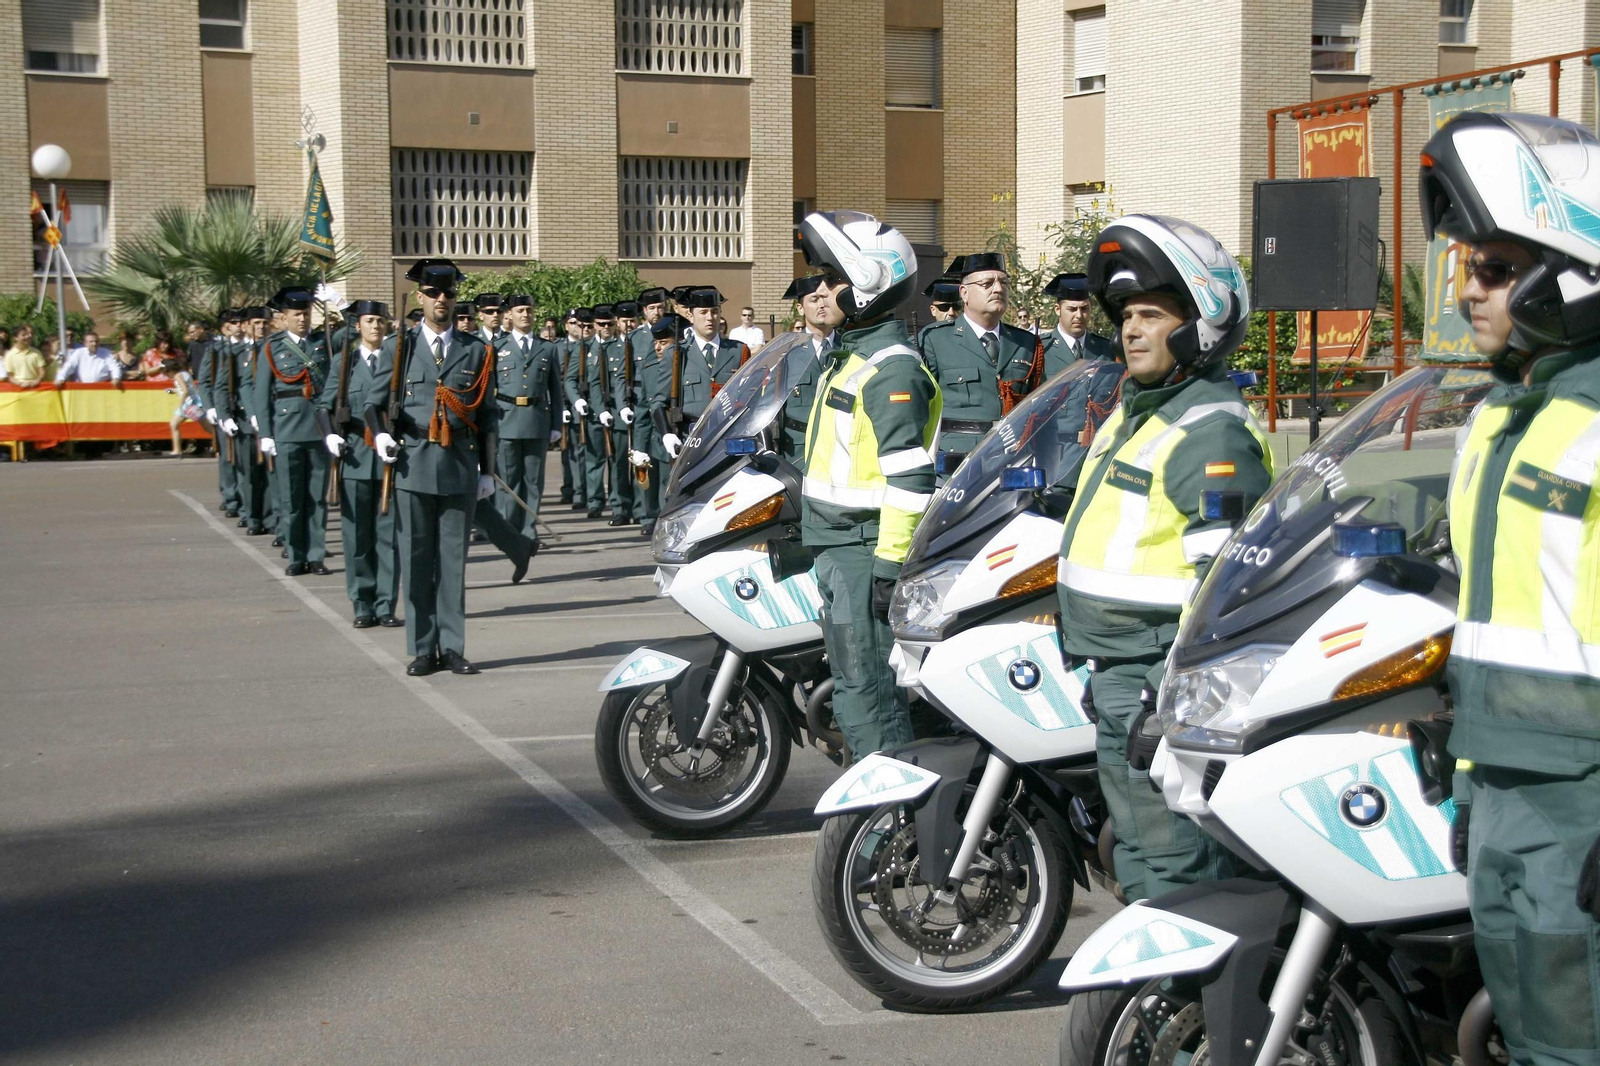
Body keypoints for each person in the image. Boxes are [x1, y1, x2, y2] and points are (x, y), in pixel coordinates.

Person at [1419, 111, 1600, 1066]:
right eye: (1464, 271)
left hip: (1583, 798)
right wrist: (1458, 765)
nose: (1469, 293)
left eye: (1491, 270)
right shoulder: (1499, 418)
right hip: (1500, 783)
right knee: (1527, 1037)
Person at [1057, 214, 1271, 903]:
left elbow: (1225, 591)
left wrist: (1169, 689)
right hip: (1119, 670)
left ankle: (1197, 1007)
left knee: (1178, 864)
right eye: (1125, 315)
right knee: (1141, 859)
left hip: (1161, 678)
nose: (1132, 328)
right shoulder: (1138, 409)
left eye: (1151, 314)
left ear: (1197, 322)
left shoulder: (1208, 429)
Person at [797, 210, 939, 761]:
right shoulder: (850, 358)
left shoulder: (889, 368)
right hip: (839, 547)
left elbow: (911, 478)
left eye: (833, 278)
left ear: (868, 282)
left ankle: (887, 825)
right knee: (855, 692)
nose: (823, 288)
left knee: (870, 697)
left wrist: (887, 568)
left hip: (865, 551)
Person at [365, 258, 499, 676]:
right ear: (420, 298)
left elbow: (489, 414)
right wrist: (380, 435)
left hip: (459, 463)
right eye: (435, 294)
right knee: (417, 559)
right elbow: (371, 403)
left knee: (453, 563)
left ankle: (453, 647)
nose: (442, 300)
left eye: (449, 294)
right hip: (413, 465)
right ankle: (423, 647)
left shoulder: (475, 350)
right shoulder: (398, 347)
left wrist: (487, 471)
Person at [917, 253, 1044, 465]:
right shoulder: (935, 340)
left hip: (1011, 458)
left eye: (1003, 282)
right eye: (987, 283)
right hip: (955, 462)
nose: (998, 289)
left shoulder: (1026, 342)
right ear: (964, 293)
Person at [321, 300, 401, 628]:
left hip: (389, 459)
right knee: (357, 538)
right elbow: (323, 407)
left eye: (381, 321)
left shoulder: (399, 362)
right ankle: (362, 603)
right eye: (369, 321)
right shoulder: (345, 363)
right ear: (358, 327)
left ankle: (385, 604)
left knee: (387, 538)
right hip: (354, 456)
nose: (376, 327)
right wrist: (330, 436)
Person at [491, 292, 563, 548]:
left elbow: (555, 389)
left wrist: (556, 425)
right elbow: (489, 390)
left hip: (536, 420)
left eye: (529, 311)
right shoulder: (498, 348)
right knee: (509, 482)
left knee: (533, 482)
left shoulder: (547, 348)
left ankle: (529, 531)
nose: (525, 315)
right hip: (506, 420)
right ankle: (508, 532)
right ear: (509, 315)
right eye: (520, 311)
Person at [776, 274, 839, 459]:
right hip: (799, 449)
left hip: (841, 447)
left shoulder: (850, 347)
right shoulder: (785, 352)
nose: (822, 305)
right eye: (814, 300)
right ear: (800, 308)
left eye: (826, 299)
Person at [626, 288, 670, 536]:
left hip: (663, 402)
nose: (657, 311)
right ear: (644, 311)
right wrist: (625, 403)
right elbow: (626, 374)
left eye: (660, 306)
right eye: (652, 308)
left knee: (664, 464)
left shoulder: (673, 332)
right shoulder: (634, 338)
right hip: (642, 403)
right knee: (643, 461)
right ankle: (647, 515)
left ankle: (663, 516)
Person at [593, 303, 637, 526]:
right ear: (617, 323)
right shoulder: (608, 349)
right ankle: (620, 507)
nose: (628, 325)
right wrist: (602, 410)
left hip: (639, 411)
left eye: (632, 321)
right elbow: (597, 383)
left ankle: (641, 507)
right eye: (624, 321)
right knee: (619, 463)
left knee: (640, 463)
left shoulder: (641, 344)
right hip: (616, 413)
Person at [565, 307, 608, 518]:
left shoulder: (619, 346)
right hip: (591, 410)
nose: (594, 329)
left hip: (616, 410)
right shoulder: (583, 349)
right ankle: (595, 500)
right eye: (592, 326)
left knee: (620, 461)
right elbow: (569, 379)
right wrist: (577, 400)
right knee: (594, 458)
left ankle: (624, 504)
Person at [1039, 271, 1115, 378]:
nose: (1079, 315)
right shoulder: (1041, 348)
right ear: (1057, 309)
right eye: (1072, 309)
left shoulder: (1105, 349)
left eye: (1084, 309)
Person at [556, 308, 588, 511]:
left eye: (580, 323)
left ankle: (582, 491)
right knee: (568, 453)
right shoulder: (559, 348)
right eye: (573, 323)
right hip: (565, 406)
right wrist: (561, 405)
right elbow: (558, 380)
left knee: (582, 452)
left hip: (584, 407)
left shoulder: (588, 346)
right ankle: (571, 489)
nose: (577, 327)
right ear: (566, 325)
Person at [55, 331, 122, 384]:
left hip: (101, 389)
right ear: (85, 343)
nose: (94, 344)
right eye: (91, 342)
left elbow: (114, 367)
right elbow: (69, 366)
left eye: (96, 341)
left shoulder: (106, 353)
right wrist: (60, 378)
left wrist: (116, 378)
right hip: (83, 389)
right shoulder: (79, 353)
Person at [915, 275, 960, 349]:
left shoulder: (972, 337)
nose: (951, 312)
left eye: (956, 307)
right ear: (933, 310)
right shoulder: (922, 340)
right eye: (944, 307)